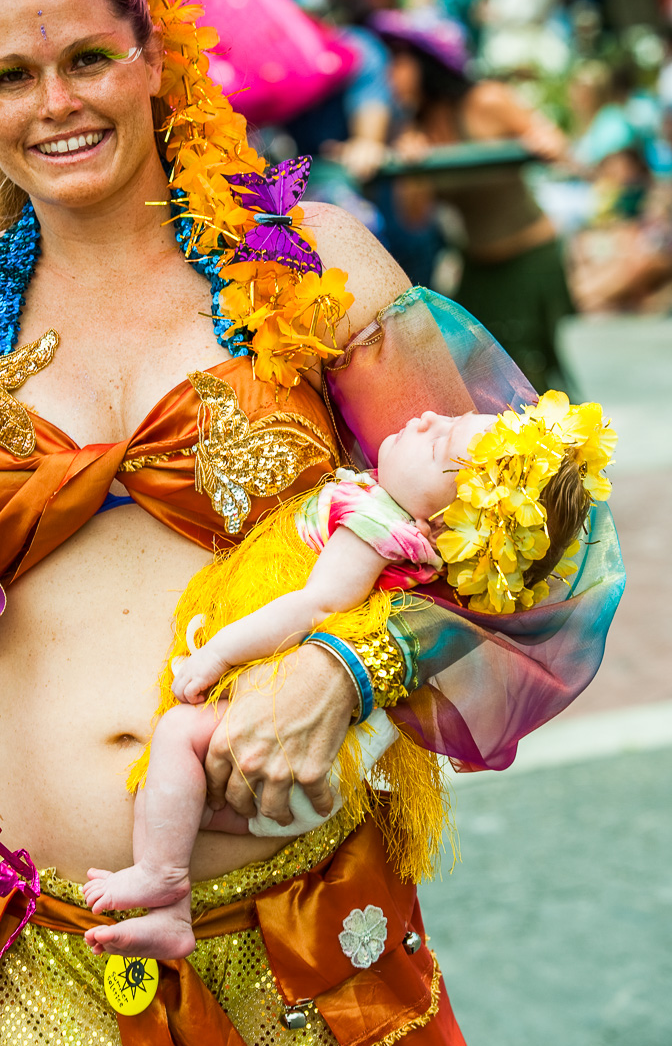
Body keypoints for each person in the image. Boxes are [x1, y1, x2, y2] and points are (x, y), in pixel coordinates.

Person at [0, 0, 624, 1046]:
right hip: (27, 948)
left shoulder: (312, 259)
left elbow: (544, 524)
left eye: (86, 57)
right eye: (12, 76)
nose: (55, 103)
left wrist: (344, 667)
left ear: (155, 56)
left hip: (294, 934)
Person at [84, 394, 610, 960]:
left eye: (439, 446)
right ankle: (169, 912)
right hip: (309, 775)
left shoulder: (380, 526)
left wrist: (214, 658)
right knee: (182, 783)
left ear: (443, 521)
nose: (430, 416)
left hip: (302, 766)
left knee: (176, 739)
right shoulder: (390, 510)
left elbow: (314, 606)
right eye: (450, 418)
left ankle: (163, 880)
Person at [373, 9, 573, 392]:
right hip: (478, 268)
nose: (389, 75)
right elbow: (414, 218)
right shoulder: (416, 131)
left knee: (540, 380)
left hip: (530, 260)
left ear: (427, 64)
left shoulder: (486, 101)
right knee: (482, 384)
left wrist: (546, 140)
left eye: (398, 61)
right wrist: (414, 170)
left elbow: (552, 139)